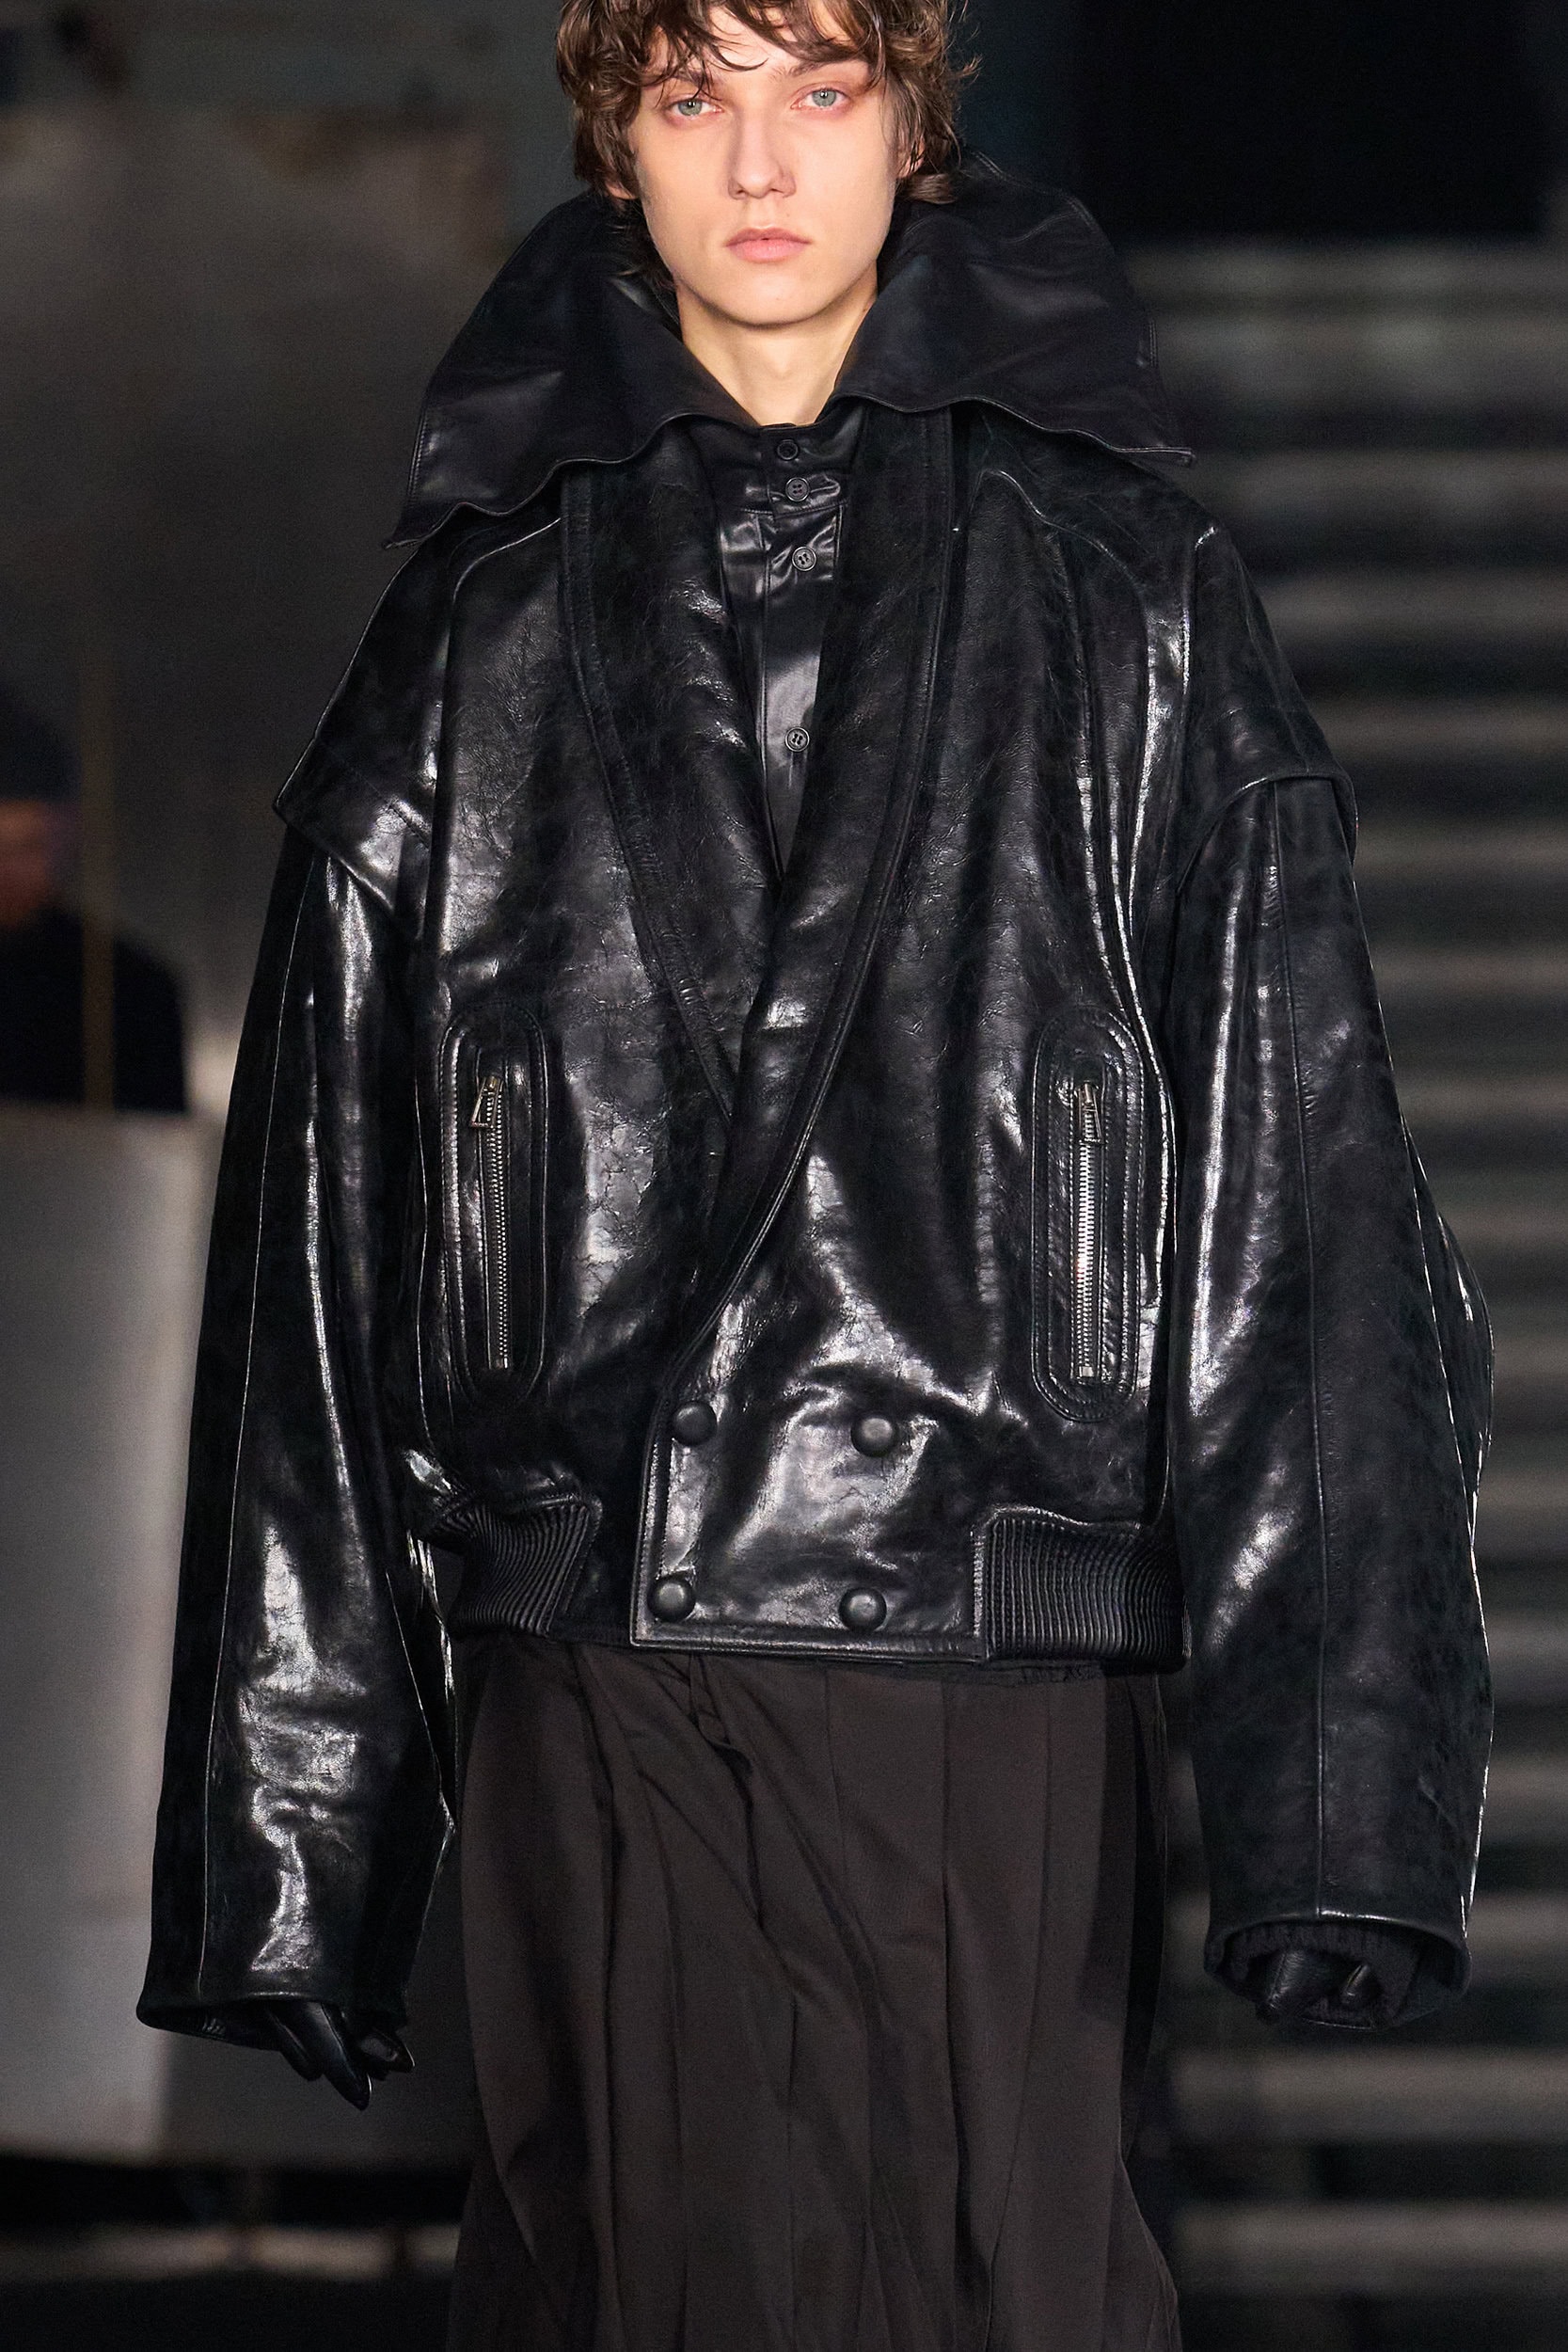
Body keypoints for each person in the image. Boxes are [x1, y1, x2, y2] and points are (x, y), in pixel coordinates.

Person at [138, 4, 1493, 2345]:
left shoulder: (1130, 597)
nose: (758, 159)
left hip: (986, 1647)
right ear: (616, 149)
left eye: (819, 86)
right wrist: (293, 1813)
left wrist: (1337, 1784)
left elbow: (1304, 1203)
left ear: (910, 126)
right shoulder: (477, 624)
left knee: (994, 2288)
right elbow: (320, 1243)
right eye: (694, 96)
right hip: (602, 1655)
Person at [0, 683, 185, 1113]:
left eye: (28, 847)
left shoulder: (131, 990)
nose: (7, 872)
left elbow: (151, 1143)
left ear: (67, 834)